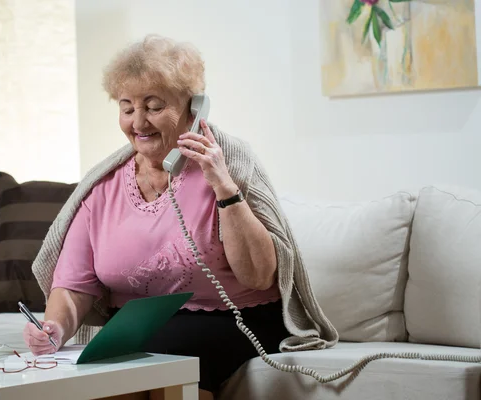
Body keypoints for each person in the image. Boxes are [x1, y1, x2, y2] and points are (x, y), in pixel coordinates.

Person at [24, 34, 338, 400]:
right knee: (99, 375)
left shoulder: (230, 162)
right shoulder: (103, 187)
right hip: (139, 327)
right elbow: (73, 286)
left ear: (194, 108)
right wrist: (55, 329)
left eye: (154, 106)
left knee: (148, 361)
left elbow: (259, 274)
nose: (138, 122)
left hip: (235, 318)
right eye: (127, 108)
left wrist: (223, 186)